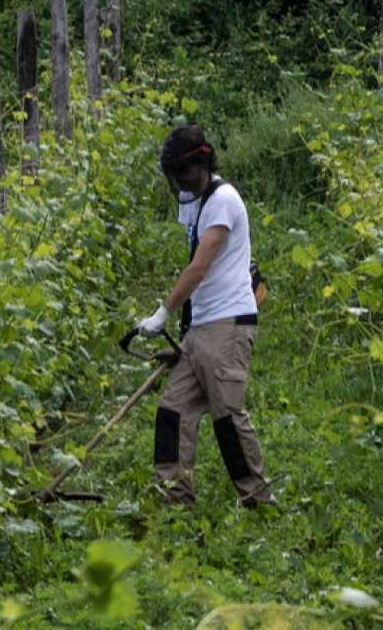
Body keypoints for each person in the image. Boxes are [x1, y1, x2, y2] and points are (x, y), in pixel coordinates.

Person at [134, 124, 275, 508]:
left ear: (200, 163)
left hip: (227, 325)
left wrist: (163, 312)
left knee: (228, 416)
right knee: (172, 412)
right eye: (173, 175)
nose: (179, 181)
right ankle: (175, 501)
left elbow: (199, 268)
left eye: (182, 172)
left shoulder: (223, 200)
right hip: (201, 329)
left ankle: (258, 500)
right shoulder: (197, 204)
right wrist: (184, 333)